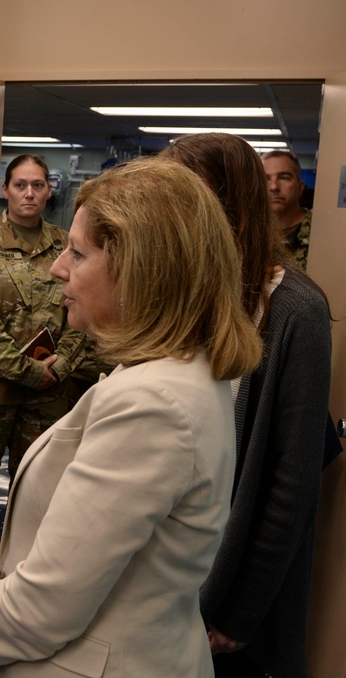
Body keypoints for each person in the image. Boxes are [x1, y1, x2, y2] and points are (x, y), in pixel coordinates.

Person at [0, 156, 263, 677]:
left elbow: (50, 603)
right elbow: (83, 531)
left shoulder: (151, 402)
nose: (58, 268)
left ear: (139, 268)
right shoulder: (168, 368)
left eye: (78, 252)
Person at [162, 133, 333, 678]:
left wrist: (242, 613)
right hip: (168, 569)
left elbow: (290, 483)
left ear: (224, 206)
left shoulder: (294, 312)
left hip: (230, 590)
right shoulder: (183, 294)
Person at [0, 155, 88, 584]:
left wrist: (61, 365)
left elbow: (81, 314)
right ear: (5, 190)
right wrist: (29, 370)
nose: (29, 193)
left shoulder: (67, 245)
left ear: (49, 191)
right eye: (20, 185)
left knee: (40, 487)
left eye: (38, 185)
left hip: (48, 393)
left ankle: (24, 577)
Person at [261, 149, 311, 271]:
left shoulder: (321, 234)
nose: (274, 187)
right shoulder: (248, 232)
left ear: (300, 187)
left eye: (284, 178)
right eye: (266, 179)